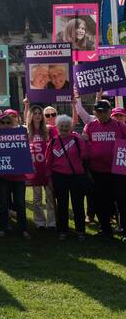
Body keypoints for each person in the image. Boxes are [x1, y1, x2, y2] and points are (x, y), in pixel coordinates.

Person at [81, 99, 126, 238]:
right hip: (97, 171)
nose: (101, 114)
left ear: (109, 111)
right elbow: (85, 144)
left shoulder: (120, 126)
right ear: (95, 112)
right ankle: (106, 229)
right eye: (98, 111)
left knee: (122, 201)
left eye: (104, 111)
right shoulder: (90, 126)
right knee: (101, 201)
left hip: (117, 171)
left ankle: (124, 229)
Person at [45, 115, 88, 241]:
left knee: (78, 205)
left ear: (70, 127)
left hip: (76, 177)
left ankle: (80, 231)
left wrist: (84, 140)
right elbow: (48, 162)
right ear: (57, 127)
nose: (64, 128)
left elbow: (85, 155)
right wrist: (49, 179)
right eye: (61, 126)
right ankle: (63, 231)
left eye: (66, 126)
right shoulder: (53, 141)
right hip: (59, 177)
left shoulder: (76, 139)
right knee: (62, 205)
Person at [0, 112, 30, 239]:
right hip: (2, 176)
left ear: (12, 123)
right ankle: (3, 227)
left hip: (19, 176)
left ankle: (23, 229)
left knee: (20, 204)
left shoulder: (21, 135)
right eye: (2, 122)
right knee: (3, 204)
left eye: (8, 122)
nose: (5, 125)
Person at [23, 102, 56, 230]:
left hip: (47, 168)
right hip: (34, 169)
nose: (37, 116)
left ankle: (52, 222)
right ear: (30, 115)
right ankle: (40, 222)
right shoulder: (26, 131)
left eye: (39, 113)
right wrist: (26, 106)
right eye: (34, 113)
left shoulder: (49, 130)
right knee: (37, 199)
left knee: (50, 198)